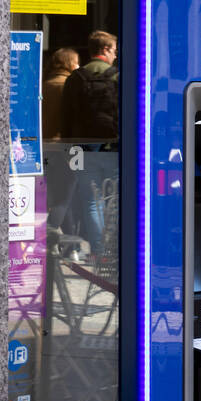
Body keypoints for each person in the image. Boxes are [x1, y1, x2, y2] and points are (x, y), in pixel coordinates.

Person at [60, 31, 120, 256]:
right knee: (114, 201)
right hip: (113, 148)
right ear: (105, 49)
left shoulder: (76, 78)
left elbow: (66, 116)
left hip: (82, 149)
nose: (115, 55)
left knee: (90, 201)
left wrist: (68, 148)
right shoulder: (117, 76)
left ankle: (99, 251)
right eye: (114, 50)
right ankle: (115, 250)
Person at [42, 47, 79, 142]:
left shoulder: (42, 84)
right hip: (60, 142)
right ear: (70, 64)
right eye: (77, 62)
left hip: (42, 140)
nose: (78, 66)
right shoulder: (69, 85)